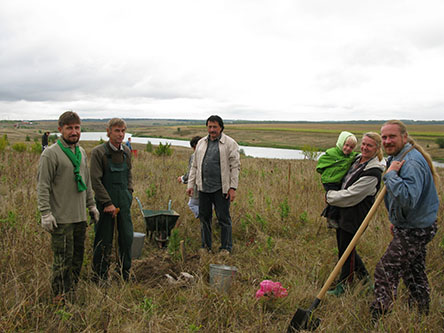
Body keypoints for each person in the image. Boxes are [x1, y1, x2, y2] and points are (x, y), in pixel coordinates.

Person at [370, 120, 439, 319]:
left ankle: (380, 318)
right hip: (412, 224)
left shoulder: (411, 162)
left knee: (385, 270)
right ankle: (421, 312)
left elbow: (408, 198)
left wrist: (390, 176)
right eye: (384, 137)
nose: (387, 141)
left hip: (416, 229)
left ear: (404, 137)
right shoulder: (398, 157)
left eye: (392, 136)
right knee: (413, 271)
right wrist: (397, 220)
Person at [37, 111, 99, 303]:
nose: (74, 132)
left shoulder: (80, 152)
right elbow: (43, 185)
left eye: (77, 128)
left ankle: (71, 293)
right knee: (62, 262)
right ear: (60, 129)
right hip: (61, 219)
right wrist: (45, 213)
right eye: (69, 128)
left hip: (80, 217)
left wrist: (91, 205)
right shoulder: (50, 154)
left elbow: (87, 182)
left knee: (76, 260)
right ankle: (58, 298)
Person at [325, 132, 385, 296]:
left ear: (377, 148)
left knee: (346, 250)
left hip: (355, 215)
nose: (365, 147)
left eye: (369, 145)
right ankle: (365, 280)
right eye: (363, 144)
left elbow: (352, 195)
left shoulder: (374, 172)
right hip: (343, 211)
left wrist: (330, 196)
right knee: (346, 248)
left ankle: (344, 286)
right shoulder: (357, 159)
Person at [186, 115, 240, 254]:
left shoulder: (230, 143)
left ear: (221, 127)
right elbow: (195, 166)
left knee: (223, 219)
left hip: (222, 188)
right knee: (204, 218)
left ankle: (226, 248)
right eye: (209, 127)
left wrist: (232, 188)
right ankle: (206, 246)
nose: (212, 130)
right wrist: (190, 185)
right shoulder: (201, 143)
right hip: (203, 187)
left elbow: (235, 167)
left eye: (215, 127)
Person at [90, 118, 134, 281]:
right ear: (108, 132)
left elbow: (128, 173)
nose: (120, 134)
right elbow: (95, 180)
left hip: (123, 199)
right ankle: (99, 276)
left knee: (127, 237)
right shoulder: (99, 152)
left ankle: (124, 273)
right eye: (116, 130)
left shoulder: (126, 151)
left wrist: (129, 192)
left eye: (123, 130)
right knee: (103, 239)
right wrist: (107, 203)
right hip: (104, 203)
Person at [316, 131, 358, 229]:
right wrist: (327, 173)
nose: (348, 149)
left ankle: (329, 215)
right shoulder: (332, 153)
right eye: (346, 145)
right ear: (341, 143)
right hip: (329, 181)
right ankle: (331, 219)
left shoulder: (349, 156)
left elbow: (355, 156)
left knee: (336, 199)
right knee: (335, 199)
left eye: (351, 147)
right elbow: (320, 165)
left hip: (337, 181)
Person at [177, 136, 202, 218]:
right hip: (212, 187)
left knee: (192, 204)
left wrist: (183, 179)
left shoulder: (194, 156)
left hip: (198, 186)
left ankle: (204, 217)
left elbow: (191, 172)